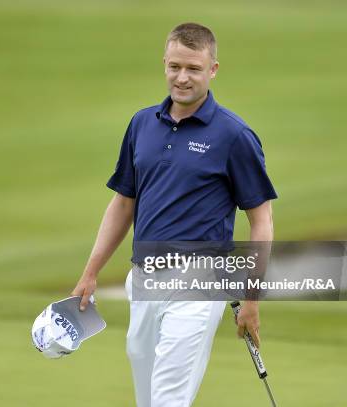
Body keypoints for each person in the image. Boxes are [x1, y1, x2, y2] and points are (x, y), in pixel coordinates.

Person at [71, 22, 277, 407]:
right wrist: (91, 271)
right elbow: (123, 203)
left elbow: (261, 220)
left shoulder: (234, 136)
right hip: (144, 279)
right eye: (175, 67)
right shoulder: (141, 124)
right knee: (148, 399)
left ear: (212, 70)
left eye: (194, 69)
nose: (182, 78)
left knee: (168, 399)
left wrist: (252, 299)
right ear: (164, 63)